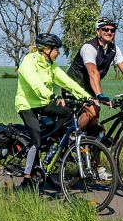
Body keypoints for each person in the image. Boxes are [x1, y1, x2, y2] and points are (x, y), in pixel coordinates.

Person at [15, 33, 92, 187]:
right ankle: (27, 177)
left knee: (68, 113)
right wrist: (52, 95)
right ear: (46, 49)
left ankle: (52, 141)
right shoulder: (28, 62)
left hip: (43, 103)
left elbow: (68, 82)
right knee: (36, 141)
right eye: (57, 50)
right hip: (27, 105)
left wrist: (87, 97)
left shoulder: (51, 65)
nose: (59, 53)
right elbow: (35, 84)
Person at [66, 17, 123, 133]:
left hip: (89, 89)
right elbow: (93, 72)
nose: (109, 32)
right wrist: (100, 94)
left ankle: (89, 146)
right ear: (98, 31)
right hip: (73, 86)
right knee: (93, 111)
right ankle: (72, 136)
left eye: (112, 30)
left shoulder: (114, 50)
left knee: (96, 128)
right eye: (105, 29)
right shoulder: (89, 48)